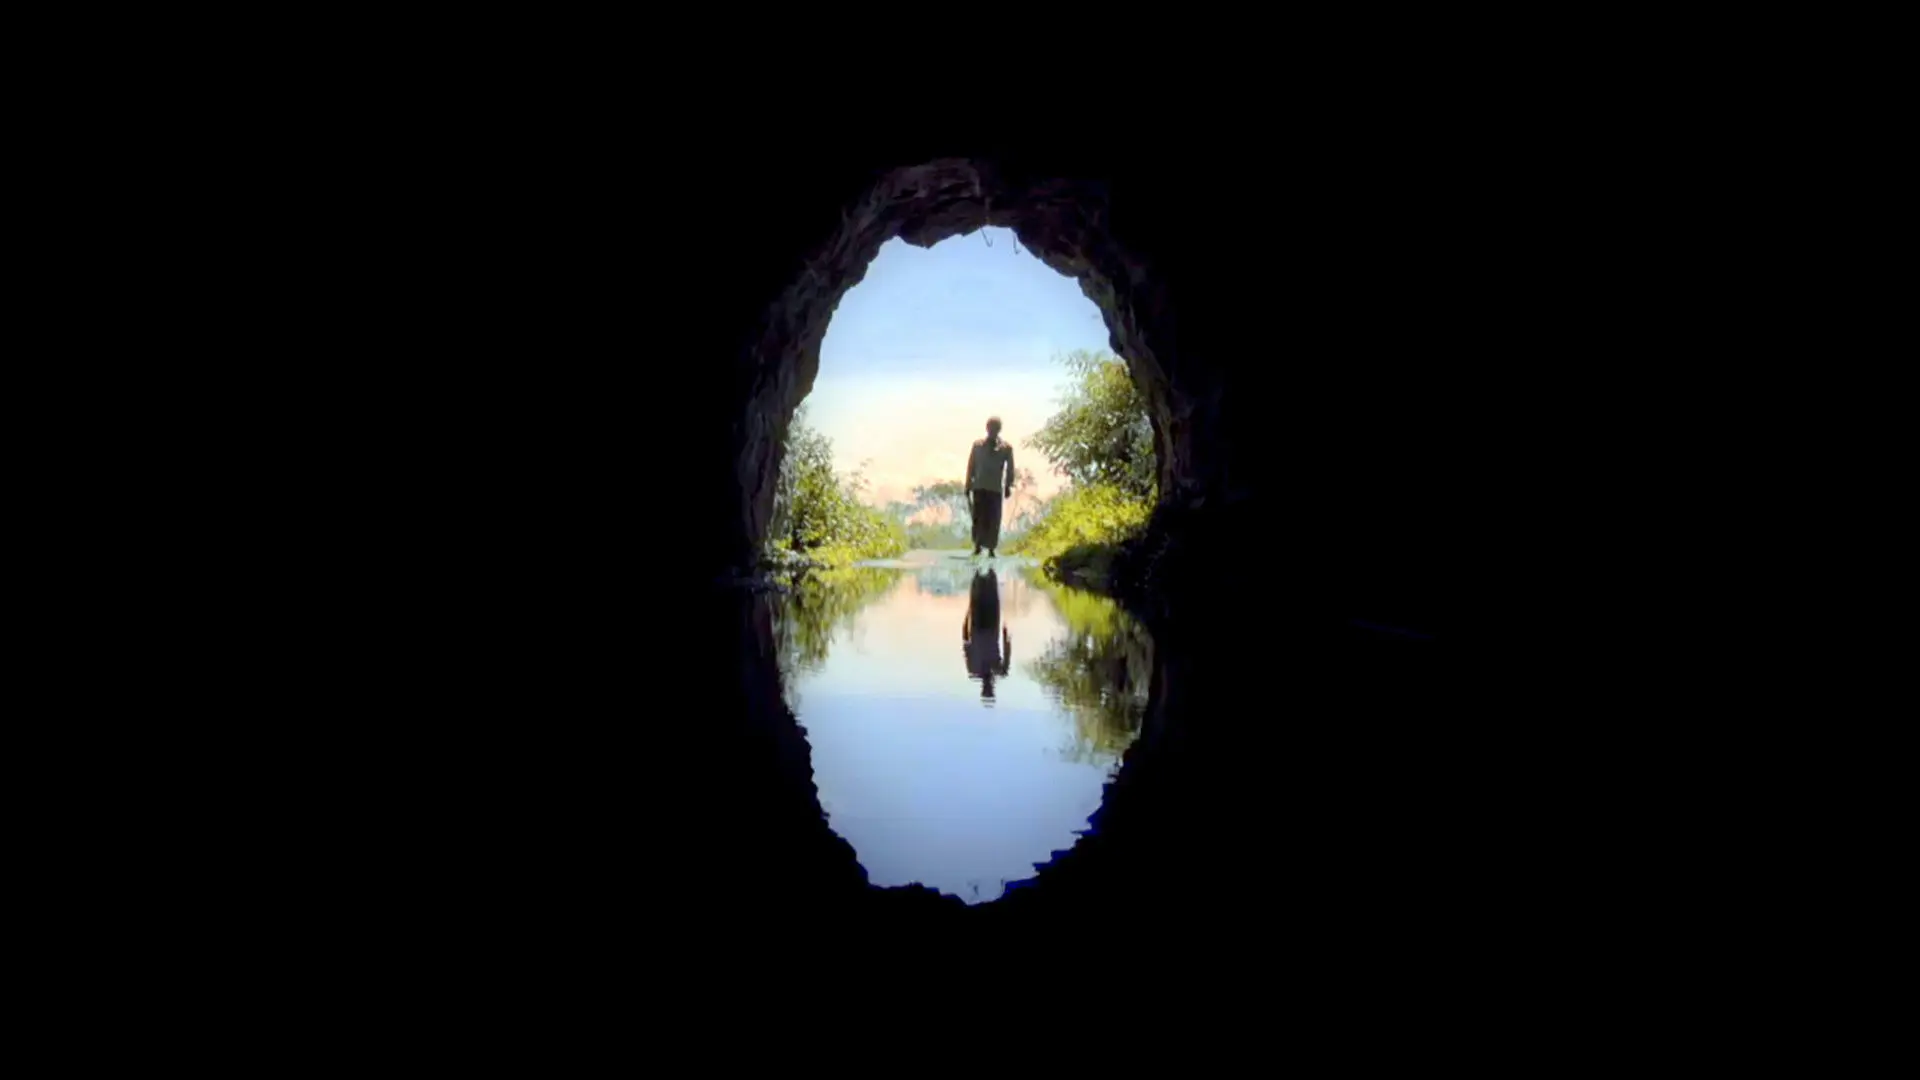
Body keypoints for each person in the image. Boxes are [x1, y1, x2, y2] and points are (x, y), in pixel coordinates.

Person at [965, 416, 1015, 557]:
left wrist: (1008, 486)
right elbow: (971, 466)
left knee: (994, 519)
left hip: (995, 489)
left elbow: (1010, 468)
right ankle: (978, 546)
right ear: (987, 428)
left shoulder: (1006, 448)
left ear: (999, 430)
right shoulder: (977, 446)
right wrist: (968, 485)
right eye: (990, 427)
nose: (993, 430)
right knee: (978, 518)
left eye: (996, 428)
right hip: (979, 487)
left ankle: (992, 548)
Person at [961, 569, 1012, 700]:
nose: (988, 687)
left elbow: (965, 642)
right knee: (990, 589)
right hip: (991, 624)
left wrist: (966, 619)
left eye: (986, 689)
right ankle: (988, 569)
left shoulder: (973, 670)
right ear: (992, 689)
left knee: (980, 587)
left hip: (978, 624)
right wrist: (1006, 633)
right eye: (990, 690)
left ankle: (981, 569)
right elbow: (1007, 650)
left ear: (983, 689)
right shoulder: (1000, 671)